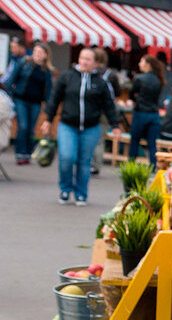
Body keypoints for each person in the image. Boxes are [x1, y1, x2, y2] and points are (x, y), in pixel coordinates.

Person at [40, 47, 121, 205]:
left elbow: (109, 105)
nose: (84, 62)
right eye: (82, 58)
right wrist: (48, 119)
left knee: (84, 162)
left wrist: (115, 125)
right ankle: (65, 189)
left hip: (91, 128)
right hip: (68, 125)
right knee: (67, 158)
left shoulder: (100, 82)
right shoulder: (67, 76)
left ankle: (81, 193)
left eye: (88, 59)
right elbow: (54, 98)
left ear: (95, 63)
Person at [9, 42, 53, 165]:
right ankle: (20, 153)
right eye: (35, 51)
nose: (37, 54)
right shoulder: (24, 63)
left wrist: (49, 108)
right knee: (23, 126)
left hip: (36, 102)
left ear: (45, 55)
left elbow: (49, 91)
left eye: (40, 52)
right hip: (21, 99)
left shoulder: (47, 71)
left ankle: (28, 153)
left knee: (31, 129)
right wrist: (10, 94)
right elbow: (12, 78)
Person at [128, 54, 165, 167]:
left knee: (135, 141)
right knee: (152, 144)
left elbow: (131, 94)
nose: (139, 64)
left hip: (140, 112)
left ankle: (131, 165)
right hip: (154, 114)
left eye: (141, 62)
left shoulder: (139, 78)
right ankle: (153, 167)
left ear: (148, 65)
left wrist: (136, 100)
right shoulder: (159, 79)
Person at [89, 47, 120, 175]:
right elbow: (117, 92)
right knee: (100, 139)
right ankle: (97, 165)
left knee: (89, 135)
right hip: (106, 110)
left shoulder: (91, 73)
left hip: (92, 108)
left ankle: (88, 163)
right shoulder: (111, 74)